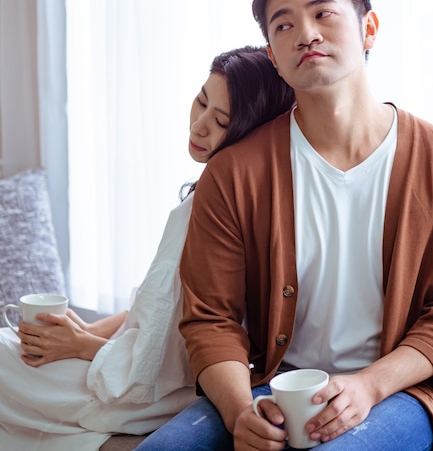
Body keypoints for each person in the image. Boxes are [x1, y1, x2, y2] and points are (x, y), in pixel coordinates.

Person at [136, 0, 433, 451]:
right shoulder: (233, 173)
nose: (307, 33)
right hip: (272, 384)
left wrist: (369, 385)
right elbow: (211, 318)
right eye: (284, 25)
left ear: (369, 29)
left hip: (401, 391)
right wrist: (238, 412)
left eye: (323, 13)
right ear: (272, 53)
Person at [0, 45, 295, 451]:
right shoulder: (226, 194)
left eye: (222, 120)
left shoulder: (212, 206)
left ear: (251, 133)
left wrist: (81, 345)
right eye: (202, 102)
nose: (200, 125)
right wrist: (84, 330)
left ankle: (103, 440)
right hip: (140, 369)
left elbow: (160, 358)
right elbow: (151, 309)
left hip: (151, 393)